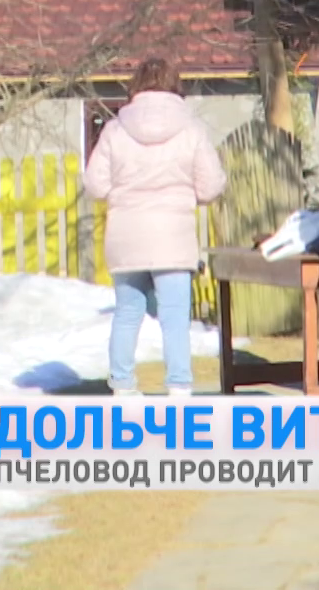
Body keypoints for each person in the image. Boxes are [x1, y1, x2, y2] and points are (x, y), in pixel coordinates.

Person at [84, 58, 228, 397]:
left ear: (135, 87)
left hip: (127, 236)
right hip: (172, 238)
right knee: (175, 316)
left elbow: (95, 185)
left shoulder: (115, 130)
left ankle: (122, 385)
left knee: (127, 313)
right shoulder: (191, 129)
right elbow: (209, 186)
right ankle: (179, 386)